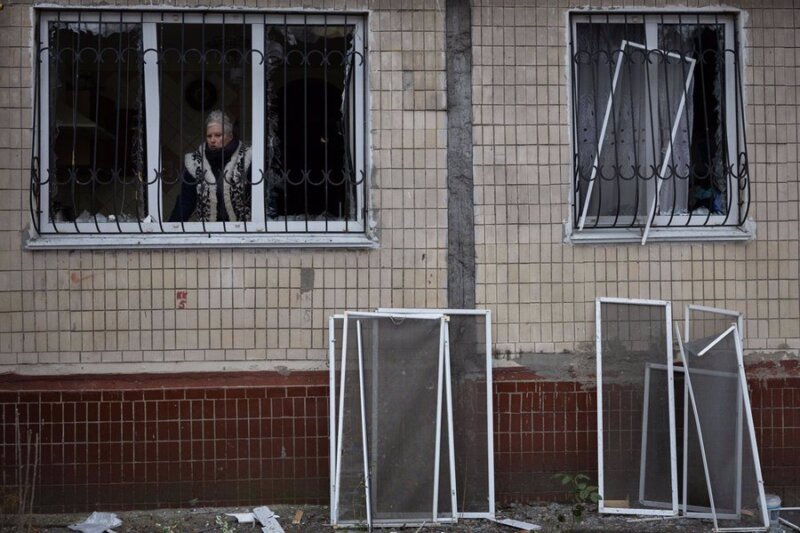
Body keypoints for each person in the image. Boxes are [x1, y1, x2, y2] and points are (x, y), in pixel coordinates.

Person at [169, 110, 252, 222]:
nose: (212, 140)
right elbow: (186, 202)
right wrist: (172, 229)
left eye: (218, 135)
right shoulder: (195, 162)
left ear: (230, 136)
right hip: (208, 232)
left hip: (243, 230)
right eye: (209, 136)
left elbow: (257, 199)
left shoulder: (246, 158)